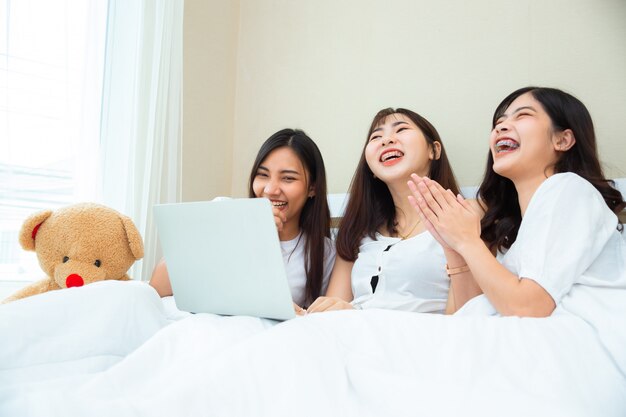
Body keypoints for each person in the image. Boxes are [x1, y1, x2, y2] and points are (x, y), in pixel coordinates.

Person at [409, 86, 626, 317]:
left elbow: (529, 306)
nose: (500, 127)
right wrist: (452, 246)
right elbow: (465, 319)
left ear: (562, 140)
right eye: (498, 122)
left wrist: (466, 241)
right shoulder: (514, 236)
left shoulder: (570, 188)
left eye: (523, 115)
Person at [308, 108, 474, 314]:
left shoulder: (465, 216)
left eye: (401, 129)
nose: (386, 141)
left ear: (434, 150)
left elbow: (463, 319)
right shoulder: (357, 230)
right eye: (376, 137)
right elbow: (332, 306)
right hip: (352, 336)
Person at [149, 128, 336, 311]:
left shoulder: (323, 252)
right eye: (263, 175)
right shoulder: (223, 211)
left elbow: (316, 319)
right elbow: (158, 288)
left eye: (287, 178)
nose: (270, 189)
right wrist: (245, 229)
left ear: (312, 188)